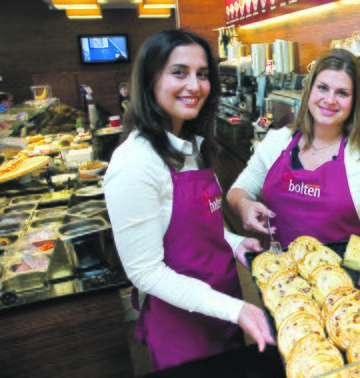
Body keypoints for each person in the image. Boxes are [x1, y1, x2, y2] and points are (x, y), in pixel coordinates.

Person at [103, 29, 274, 371]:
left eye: (202, 74)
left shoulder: (191, 145)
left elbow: (199, 225)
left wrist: (236, 243)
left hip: (223, 308)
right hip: (183, 326)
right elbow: (145, 272)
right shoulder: (135, 162)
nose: (194, 86)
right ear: (151, 80)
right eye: (179, 72)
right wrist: (232, 309)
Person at [228, 48, 360, 265]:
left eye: (342, 93)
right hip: (281, 279)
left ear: (355, 101)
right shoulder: (277, 142)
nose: (330, 100)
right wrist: (244, 206)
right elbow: (238, 191)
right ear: (310, 91)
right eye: (322, 88)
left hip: (344, 282)